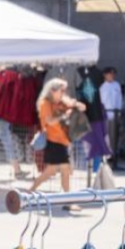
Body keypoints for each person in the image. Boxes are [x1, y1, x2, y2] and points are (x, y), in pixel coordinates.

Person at [28, 78, 85, 207]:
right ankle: (68, 201)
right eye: (61, 90)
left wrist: (76, 104)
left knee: (52, 171)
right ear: (52, 91)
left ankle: (30, 191)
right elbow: (49, 121)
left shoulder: (61, 102)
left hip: (62, 141)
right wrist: (64, 116)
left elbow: (82, 107)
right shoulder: (45, 103)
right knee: (64, 169)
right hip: (53, 141)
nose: (63, 93)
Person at [99, 66, 124, 164]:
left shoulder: (117, 85)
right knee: (107, 136)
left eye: (114, 74)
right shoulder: (102, 87)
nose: (112, 76)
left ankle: (114, 156)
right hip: (106, 114)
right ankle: (106, 156)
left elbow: (119, 99)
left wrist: (120, 111)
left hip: (115, 114)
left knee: (115, 136)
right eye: (110, 74)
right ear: (105, 75)